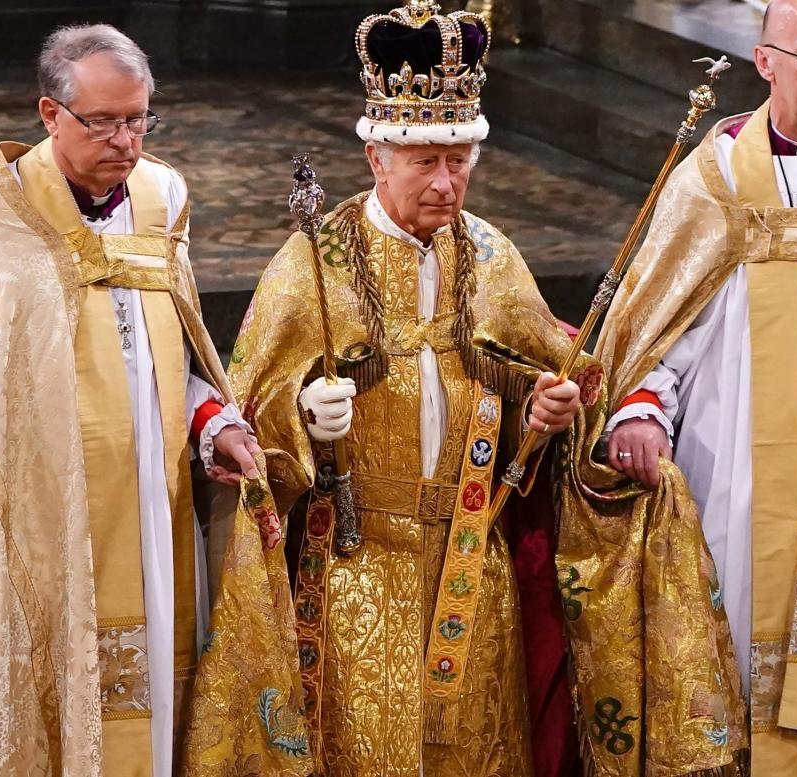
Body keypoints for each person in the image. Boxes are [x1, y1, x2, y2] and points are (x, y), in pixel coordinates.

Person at [559, 0, 797, 773]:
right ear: (765, 60)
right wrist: (641, 404)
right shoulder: (717, 175)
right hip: (732, 463)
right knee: (734, 629)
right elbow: (663, 312)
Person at [220, 2, 583, 774]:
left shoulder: (494, 256)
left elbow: (544, 371)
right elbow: (242, 412)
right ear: (377, 158)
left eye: (460, 158)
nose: (448, 182)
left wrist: (543, 411)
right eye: (425, 160)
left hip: (469, 563)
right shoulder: (314, 264)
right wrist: (299, 416)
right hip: (355, 557)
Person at [0, 23, 259, 776]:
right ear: (49, 114)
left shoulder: (162, 197)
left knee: (162, 685)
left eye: (137, 118)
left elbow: (176, 347)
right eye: (101, 122)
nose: (125, 141)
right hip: (55, 522)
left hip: (156, 507)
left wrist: (214, 427)